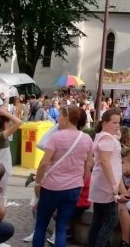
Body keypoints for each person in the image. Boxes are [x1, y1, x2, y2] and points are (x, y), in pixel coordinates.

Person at [32, 105, 94, 247]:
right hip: (73, 188)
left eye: (60, 115)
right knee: (61, 227)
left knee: (41, 226)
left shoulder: (56, 137)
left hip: (51, 188)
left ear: (66, 118)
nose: (58, 118)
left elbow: (44, 163)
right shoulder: (87, 139)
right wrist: (81, 183)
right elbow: (88, 166)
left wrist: (37, 183)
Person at [88, 108, 126, 247]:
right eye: (114, 122)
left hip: (102, 182)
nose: (117, 125)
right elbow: (105, 161)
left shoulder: (103, 136)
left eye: (119, 122)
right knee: (111, 220)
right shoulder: (106, 138)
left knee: (98, 219)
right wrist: (114, 185)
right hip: (106, 184)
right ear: (105, 122)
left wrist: (117, 134)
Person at [0, 110, 23, 194]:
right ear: (4, 124)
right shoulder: (1, 136)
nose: (9, 125)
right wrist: (6, 114)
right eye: (8, 123)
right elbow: (19, 122)